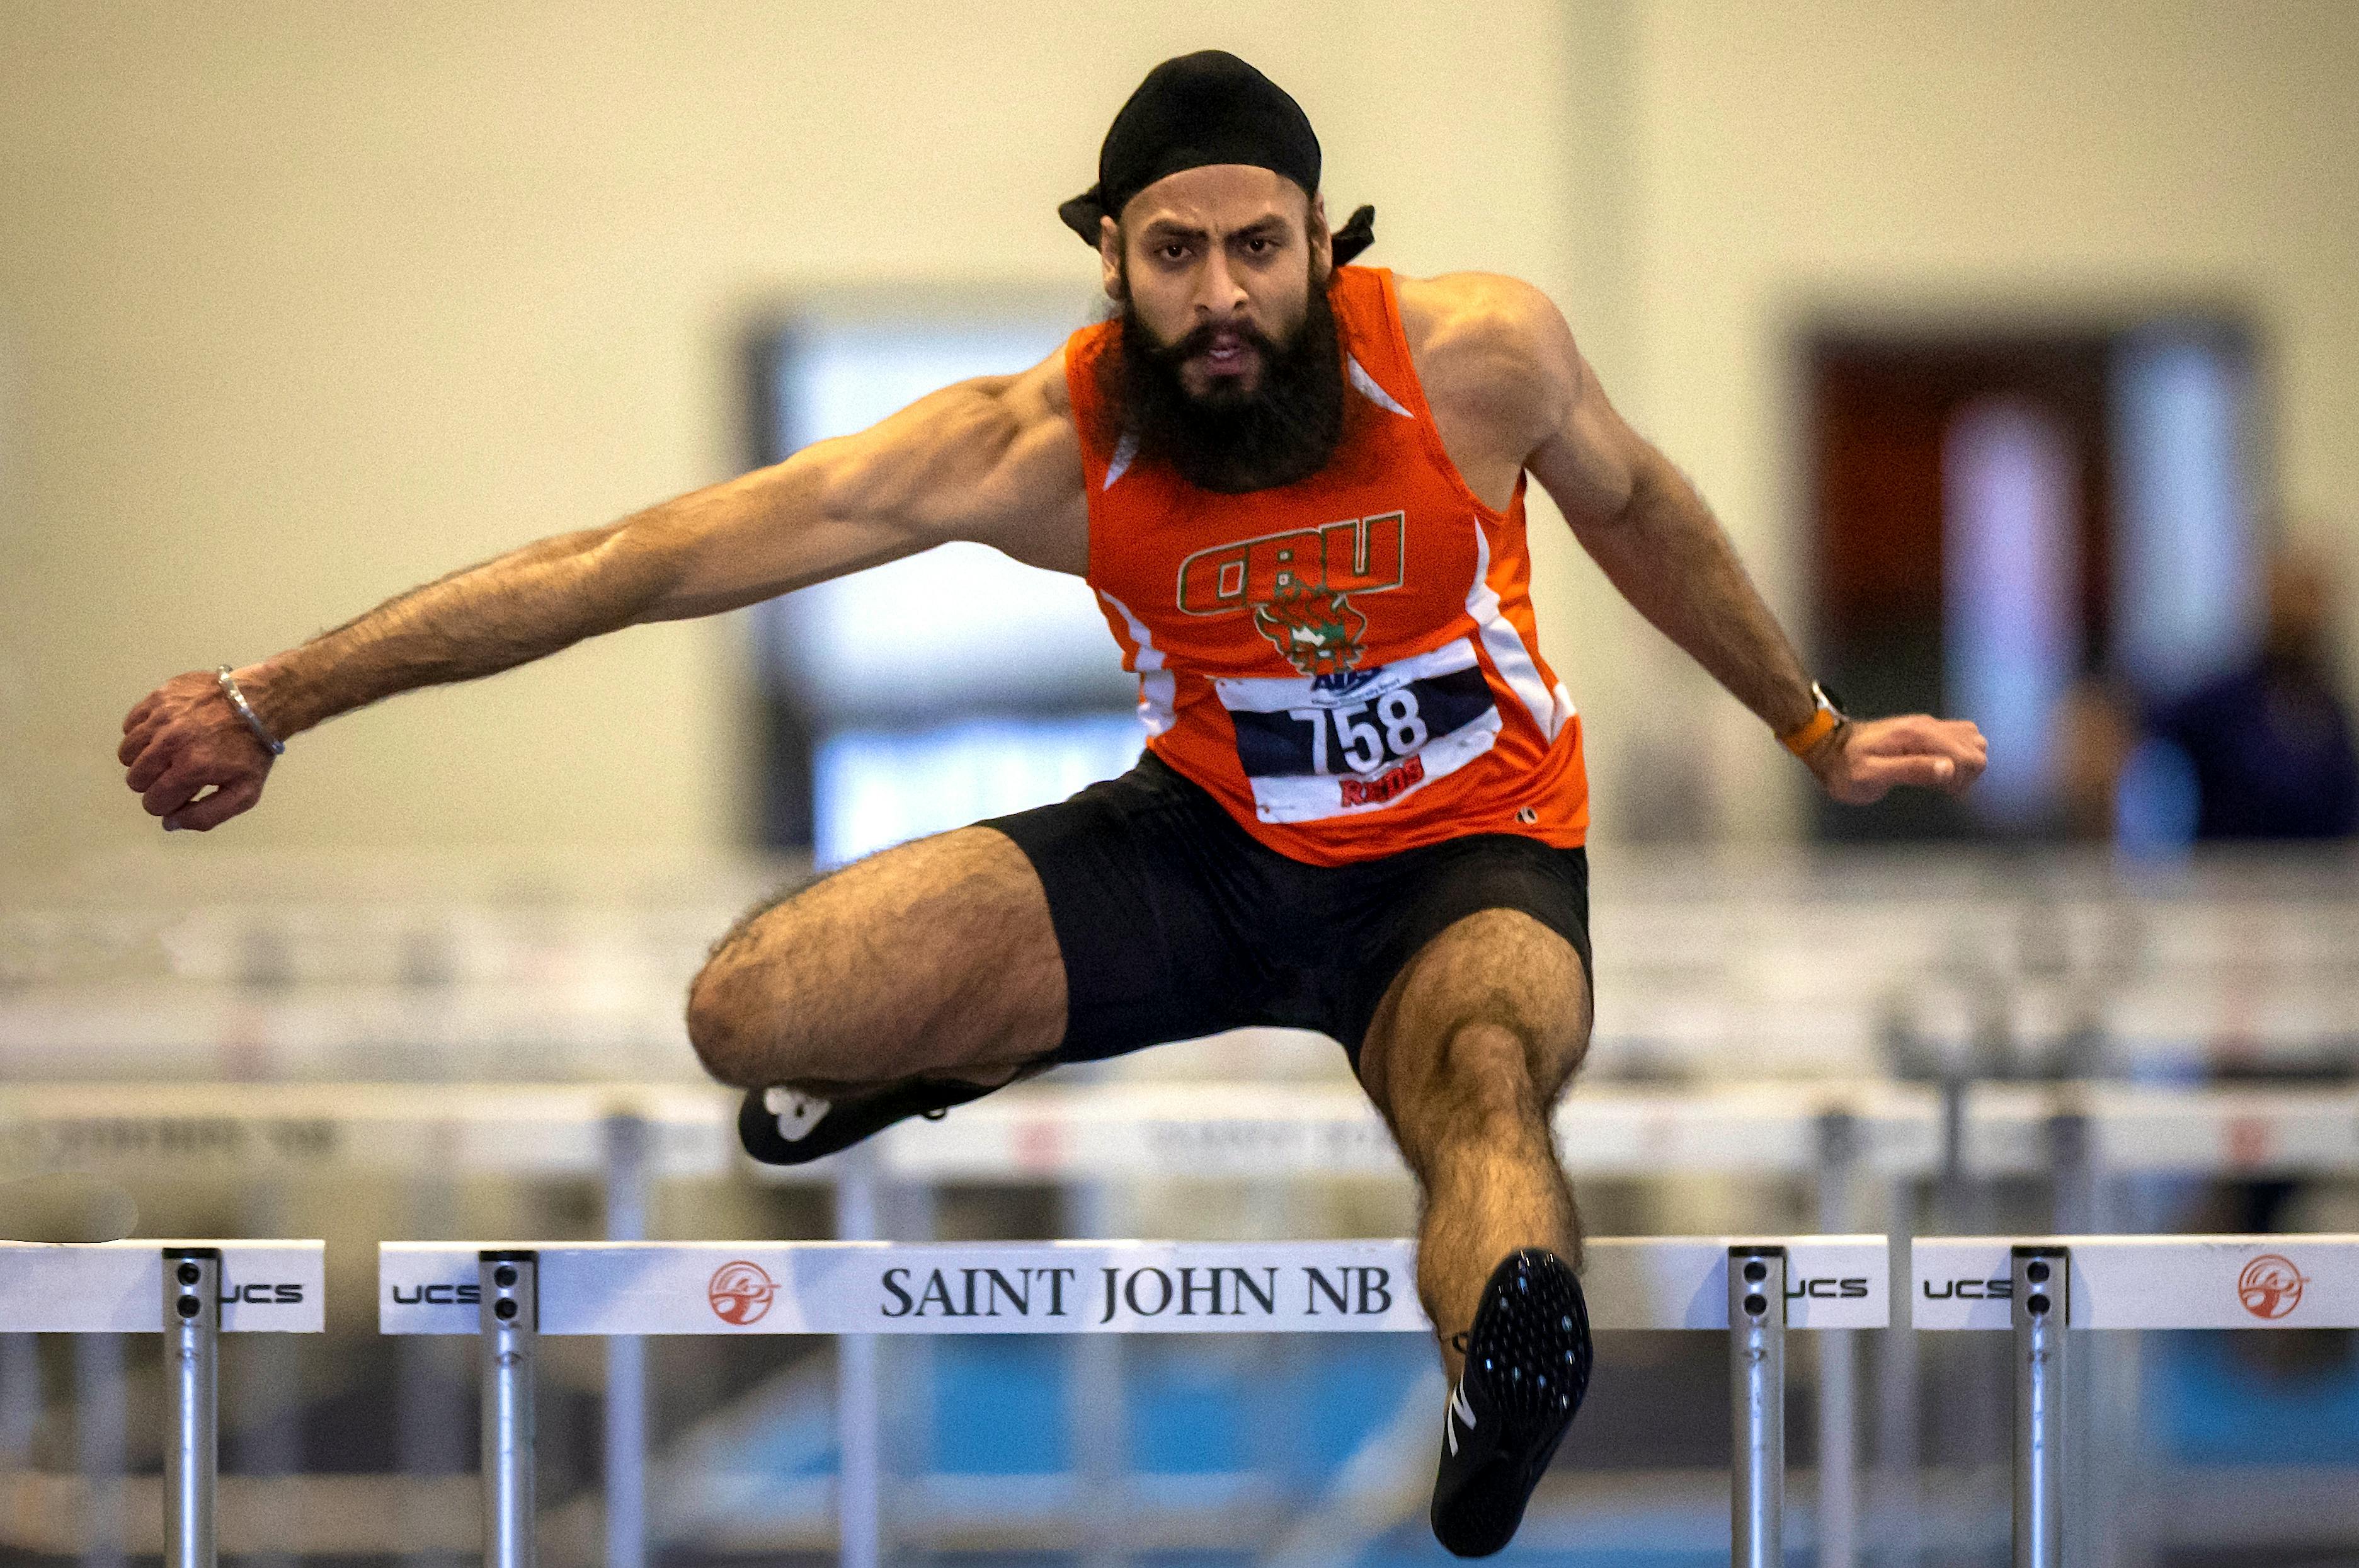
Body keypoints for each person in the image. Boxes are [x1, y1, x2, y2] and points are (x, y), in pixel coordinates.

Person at [117, 52, 1985, 1556]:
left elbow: (1638, 511)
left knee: (1486, 1073)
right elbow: (633, 558)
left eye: (1257, 247)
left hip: (1463, 859)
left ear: (1329, 246)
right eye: (1173, 254)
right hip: (1199, 845)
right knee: (743, 1012)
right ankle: (953, 1041)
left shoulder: (1476, 352)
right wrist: (276, 694)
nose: (1220, 296)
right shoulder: (1037, 443)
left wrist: (1808, 725)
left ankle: (1503, 1386)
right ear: (1109, 258)